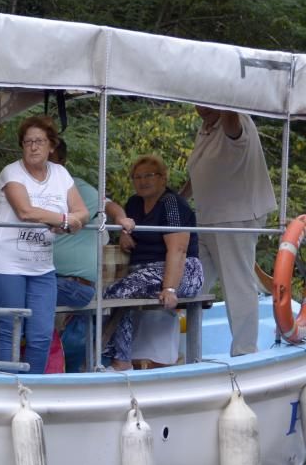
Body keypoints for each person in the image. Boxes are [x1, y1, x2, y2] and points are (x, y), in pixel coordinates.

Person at [0, 115, 89, 374]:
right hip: (5, 262)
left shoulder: (61, 174)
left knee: (41, 333)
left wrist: (73, 220)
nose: (33, 147)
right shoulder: (12, 172)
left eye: (39, 141)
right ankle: (8, 390)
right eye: (27, 141)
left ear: (51, 146)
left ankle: (34, 389)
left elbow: (83, 213)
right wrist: (65, 220)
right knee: (11, 327)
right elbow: (26, 212)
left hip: (41, 265)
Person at [183, 107, 276, 356]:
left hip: (236, 217)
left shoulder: (233, 121)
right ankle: (180, 351)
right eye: (197, 101)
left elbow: (231, 116)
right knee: (192, 282)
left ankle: (245, 350)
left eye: (206, 100)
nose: (200, 106)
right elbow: (199, 172)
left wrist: (225, 88)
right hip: (206, 218)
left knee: (237, 282)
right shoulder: (205, 129)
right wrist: (177, 200)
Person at [104, 155, 204, 369]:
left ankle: (120, 360)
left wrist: (170, 288)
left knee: (117, 293)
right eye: (137, 177)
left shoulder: (172, 203)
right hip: (145, 273)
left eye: (149, 175)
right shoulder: (134, 203)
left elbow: (178, 249)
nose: (143, 181)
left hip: (182, 271)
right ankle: (113, 356)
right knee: (108, 291)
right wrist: (124, 234)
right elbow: (122, 219)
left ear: (163, 178)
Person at [49, 138, 132, 371]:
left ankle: (37, 371)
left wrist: (122, 221)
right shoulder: (28, 187)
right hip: (47, 277)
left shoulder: (76, 187)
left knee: (11, 301)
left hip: (70, 282)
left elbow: (108, 205)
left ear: (61, 162)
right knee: (3, 299)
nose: (43, 165)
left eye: (50, 160)